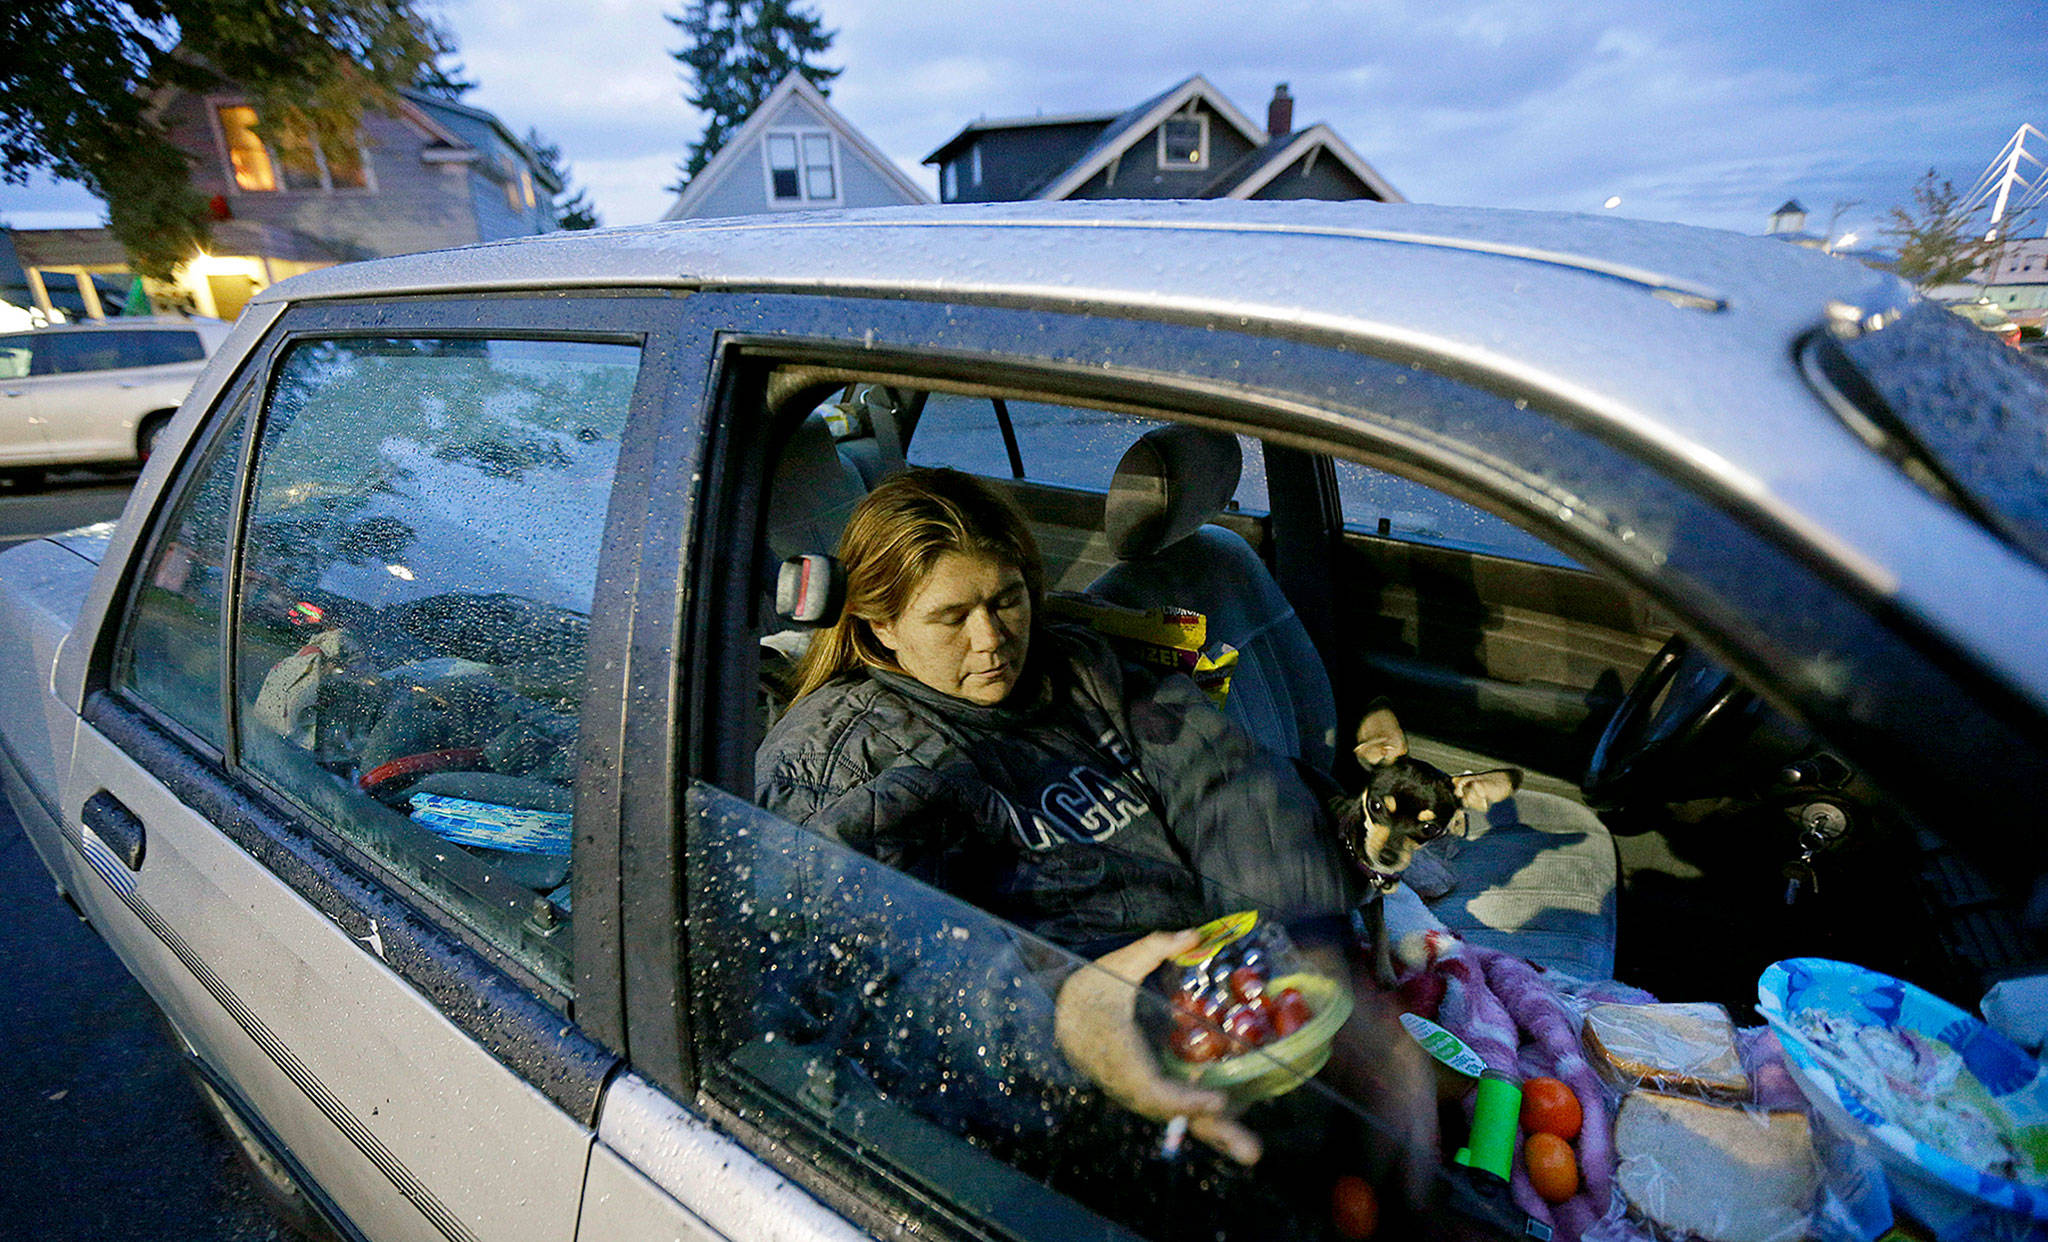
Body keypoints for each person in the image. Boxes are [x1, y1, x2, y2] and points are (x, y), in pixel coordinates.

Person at [757, 466, 1403, 1166]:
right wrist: (1063, 1018)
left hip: (1219, 1022)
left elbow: (1227, 786)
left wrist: (1308, 942)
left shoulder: (1082, 669)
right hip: (1062, 1094)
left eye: (1006, 600)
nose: (991, 639)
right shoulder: (842, 764)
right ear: (880, 625)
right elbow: (885, 969)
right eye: (951, 618)